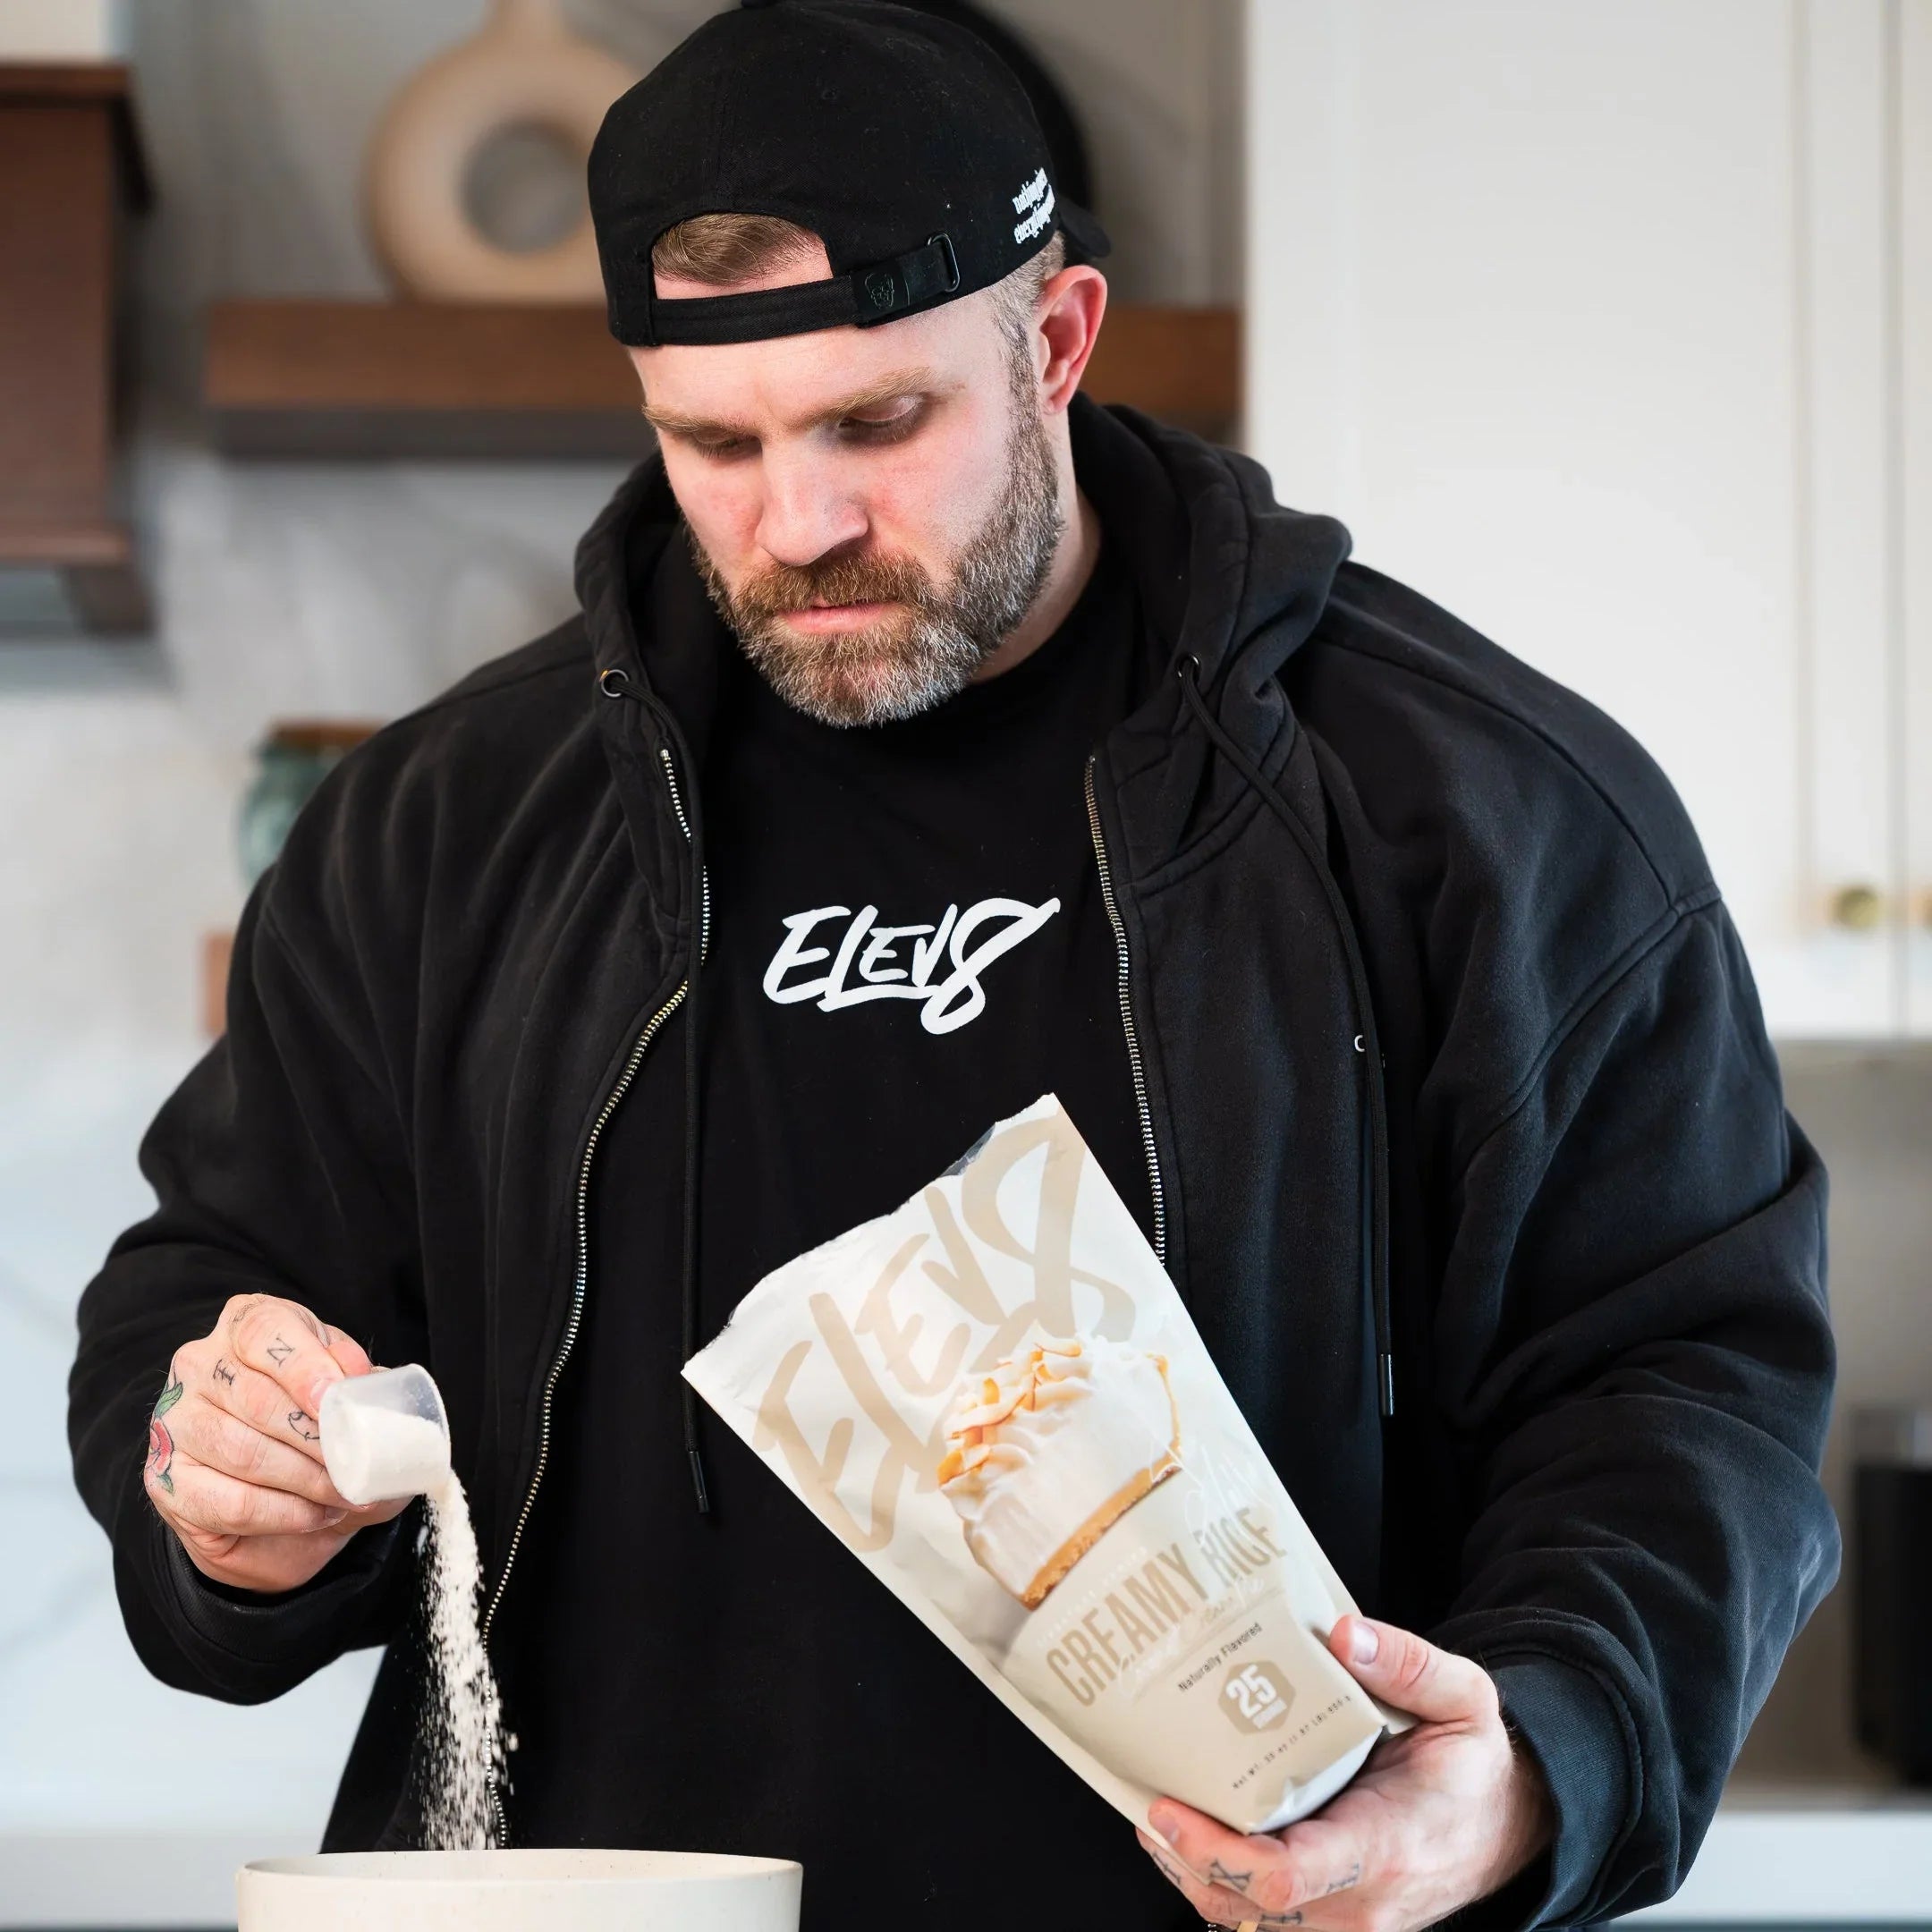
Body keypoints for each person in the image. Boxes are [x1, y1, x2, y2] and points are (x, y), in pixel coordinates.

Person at [69, 4, 1838, 1928]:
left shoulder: (1480, 811)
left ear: (1057, 341)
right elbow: (209, 1289)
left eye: (877, 423)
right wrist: (224, 1478)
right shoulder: (437, 832)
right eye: (713, 442)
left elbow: (1683, 1383)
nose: (799, 522)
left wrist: (1538, 1764)